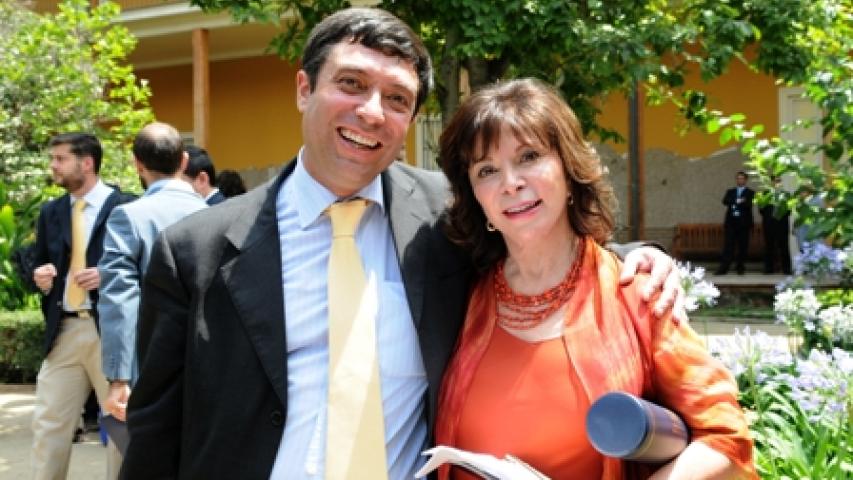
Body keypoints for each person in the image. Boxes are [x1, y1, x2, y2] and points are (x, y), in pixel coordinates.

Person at [123, 8, 685, 479]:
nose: (372, 112)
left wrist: (635, 259)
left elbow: (538, 234)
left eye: (397, 99)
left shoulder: (447, 217)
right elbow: (154, 433)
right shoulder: (194, 250)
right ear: (303, 89)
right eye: (351, 84)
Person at [433, 79, 755, 479]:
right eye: (487, 170)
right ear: (476, 195)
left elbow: (725, 436)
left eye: (529, 156)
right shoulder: (459, 296)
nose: (510, 182)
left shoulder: (638, 292)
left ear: (569, 170)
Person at [30, 132, 132, 480]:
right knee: (48, 425)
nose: (53, 166)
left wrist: (109, 275)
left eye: (60, 159)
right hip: (65, 331)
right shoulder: (51, 212)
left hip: (113, 331)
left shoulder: (128, 207)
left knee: (121, 428)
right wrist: (40, 275)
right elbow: (40, 263)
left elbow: (148, 265)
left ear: (86, 163)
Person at [98, 122, 208, 426]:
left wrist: (118, 376)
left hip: (151, 361)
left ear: (138, 164)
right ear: (184, 161)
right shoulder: (218, 215)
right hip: (210, 360)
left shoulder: (128, 217)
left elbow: (119, 296)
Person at [715, 171, 755, 275]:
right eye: (738, 178)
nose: (739, 180)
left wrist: (737, 201)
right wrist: (738, 200)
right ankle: (724, 267)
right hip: (731, 223)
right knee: (728, 245)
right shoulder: (731, 191)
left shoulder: (750, 192)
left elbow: (748, 204)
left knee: (743, 246)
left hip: (744, 223)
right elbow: (725, 201)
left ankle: (740, 267)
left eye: (742, 178)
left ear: (745, 180)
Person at [759, 179, 792, 274]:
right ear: (771, 183)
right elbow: (761, 209)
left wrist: (779, 215)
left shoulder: (786, 195)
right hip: (769, 224)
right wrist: (770, 216)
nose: (776, 183)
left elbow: (789, 210)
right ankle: (768, 269)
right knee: (769, 246)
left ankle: (786, 269)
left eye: (778, 181)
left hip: (782, 224)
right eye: (774, 181)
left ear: (781, 183)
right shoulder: (765, 194)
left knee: (784, 247)